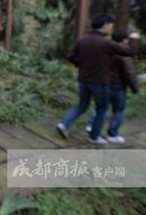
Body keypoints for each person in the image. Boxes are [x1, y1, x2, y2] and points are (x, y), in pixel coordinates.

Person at [56, 14, 135, 145]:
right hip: (100, 82)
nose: (111, 29)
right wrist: (132, 40)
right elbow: (127, 53)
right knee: (101, 109)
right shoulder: (106, 43)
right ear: (104, 25)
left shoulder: (82, 40)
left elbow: (70, 57)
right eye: (111, 26)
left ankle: (63, 124)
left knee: (82, 105)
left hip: (83, 80)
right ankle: (94, 137)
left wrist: (81, 64)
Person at [84, 30, 139, 143]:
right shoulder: (123, 54)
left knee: (100, 107)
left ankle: (91, 126)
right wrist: (135, 87)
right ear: (124, 40)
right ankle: (112, 134)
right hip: (118, 87)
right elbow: (129, 73)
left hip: (104, 83)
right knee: (118, 110)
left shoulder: (106, 50)